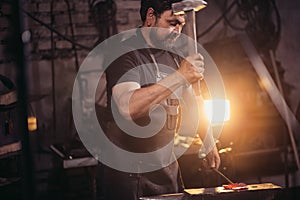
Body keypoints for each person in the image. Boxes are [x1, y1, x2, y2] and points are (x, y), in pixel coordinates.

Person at [102, 0, 220, 199]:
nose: (177, 31)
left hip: (166, 169)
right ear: (150, 16)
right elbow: (128, 107)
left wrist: (208, 139)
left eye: (181, 25)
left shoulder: (174, 54)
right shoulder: (123, 53)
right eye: (172, 23)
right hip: (128, 175)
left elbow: (192, 100)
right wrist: (180, 76)